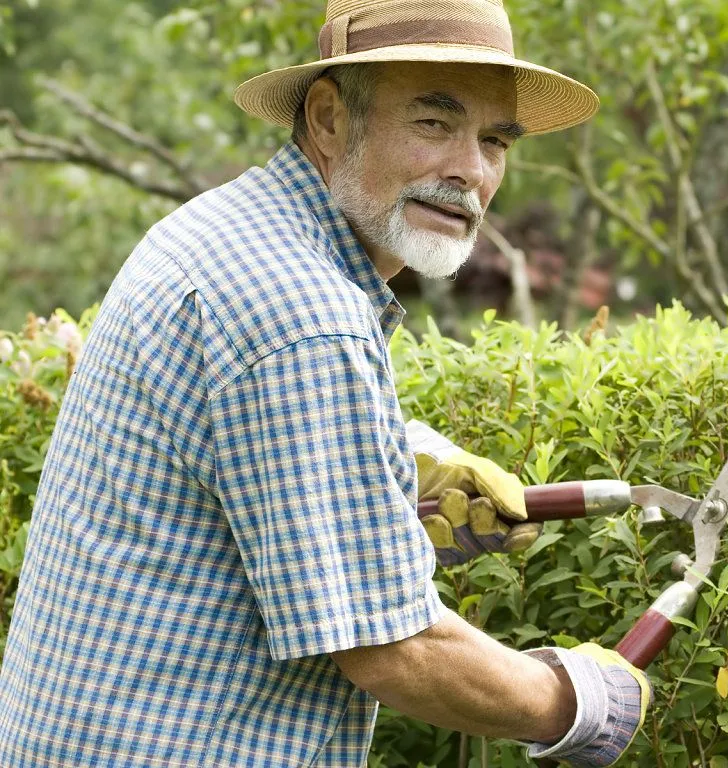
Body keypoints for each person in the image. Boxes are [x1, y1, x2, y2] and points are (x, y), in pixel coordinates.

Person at [0, 1, 651, 765]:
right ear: (329, 118)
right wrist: (576, 701)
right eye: (434, 125)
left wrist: (390, 468)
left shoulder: (229, 228)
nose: (470, 171)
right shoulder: (304, 315)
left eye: (495, 140)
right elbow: (391, 649)